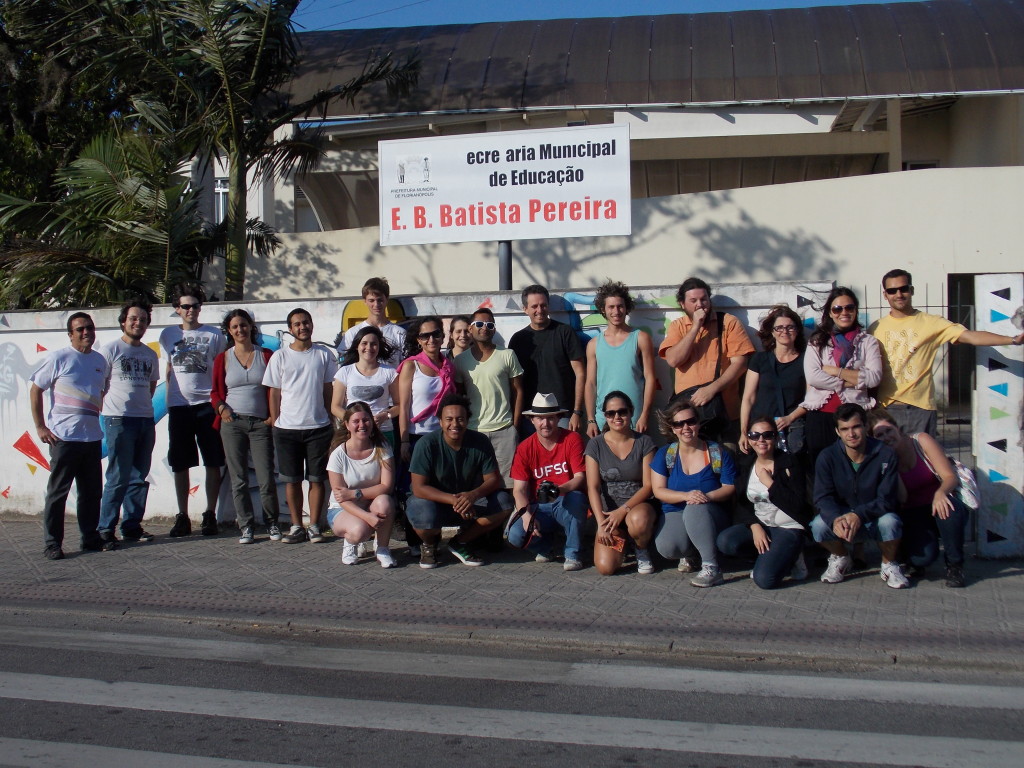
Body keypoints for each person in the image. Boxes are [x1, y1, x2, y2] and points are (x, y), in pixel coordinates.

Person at [869, 268, 1024, 436]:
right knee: (887, 461)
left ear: (911, 290)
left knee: (923, 460)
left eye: (903, 289)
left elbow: (970, 337)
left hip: (920, 408)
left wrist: (1013, 340)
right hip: (885, 409)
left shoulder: (932, 322)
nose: (899, 294)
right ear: (885, 295)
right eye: (892, 290)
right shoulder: (875, 328)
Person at [31, 311, 110, 559]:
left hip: (91, 437)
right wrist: (41, 427)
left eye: (89, 327)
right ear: (70, 335)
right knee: (58, 493)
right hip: (63, 438)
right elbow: (35, 390)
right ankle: (52, 543)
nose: (86, 332)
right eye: (80, 329)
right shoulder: (59, 357)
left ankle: (90, 538)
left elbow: (101, 392)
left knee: (91, 493)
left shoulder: (100, 361)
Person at [406, 393, 513, 568]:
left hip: (469, 501)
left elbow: (493, 479)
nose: (454, 424)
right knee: (422, 512)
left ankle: (461, 542)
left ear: (468, 420)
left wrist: (472, 496)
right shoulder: (426, 444)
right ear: (440, 421)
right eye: (449, 419)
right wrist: (454, 500)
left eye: (460, 419)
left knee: (504, 503)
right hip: (435, 501)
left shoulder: (481, 441)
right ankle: (429, 544)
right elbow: (419, 488)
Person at [868, 409, 969, 588]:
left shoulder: (921, 441)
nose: (886, 437)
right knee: (922, 559)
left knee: (948, 511)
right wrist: (890, 461)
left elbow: (950, 477)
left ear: (898, 429)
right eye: (879, 435)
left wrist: (940, 493)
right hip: (913, 512)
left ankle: (955, 565)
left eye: (889, 430)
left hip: (941, 502)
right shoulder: (882, 458)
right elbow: (903, 497)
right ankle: (913, 557)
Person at [811, 403, 908, 589]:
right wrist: (835, 519)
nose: (851, 434)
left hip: (874, 515)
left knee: (891, 522)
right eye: (845, 429)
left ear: (865, 426)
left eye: (856, 427)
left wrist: (859, 515)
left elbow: (887, 499)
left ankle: (888, 564)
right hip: (842, 516)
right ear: (837, 432)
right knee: (818, 526)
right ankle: (841, 557)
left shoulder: (885, 454)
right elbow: (822, 497)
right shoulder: (827, 456)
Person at [263, 308, 338, 544]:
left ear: (312, 325)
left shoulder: (324, 355)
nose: (302, 327)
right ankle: (296, 526)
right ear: (290, 329)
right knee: (292, 480)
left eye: (306, 322)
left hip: (319, 427)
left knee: (317, 480)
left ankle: (315, 526)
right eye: (297, 324)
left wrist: (330, 418)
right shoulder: (280, 357)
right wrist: (275, 421)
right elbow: (274, 392)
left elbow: (329, 388)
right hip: (287, 429)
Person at [159, 284, 226, 537]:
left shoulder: (214, 335)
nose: (190, 310)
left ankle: (210, 513)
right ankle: (182, 515)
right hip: (179, 407)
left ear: (200, 308)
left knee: (213, 461)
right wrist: (169, 399)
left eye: (194, 306)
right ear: (177, 310)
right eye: (185, 306)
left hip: (207, 406)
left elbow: (220, 369)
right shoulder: (167, 335)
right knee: (180, 463)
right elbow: (168, 369)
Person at [717, 416, 812, 589]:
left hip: (788, 526)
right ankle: (768, 557)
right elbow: (742, 502)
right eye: (755, 435)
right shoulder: (746, 464)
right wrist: (754, 525)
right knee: (726, 542)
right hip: (763, 524)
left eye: (767, 435)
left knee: (765, 580)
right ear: (749, 439)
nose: (761, 440)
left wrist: (770, 483)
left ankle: (793, 556)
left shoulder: (790, 463)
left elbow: (797, 504)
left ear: (775, 438)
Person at [651, 397, 737, 587]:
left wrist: (705, 497)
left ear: (698, 424)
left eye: (691, 421)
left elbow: (730, 487)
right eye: (679, 424)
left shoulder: (717, 452)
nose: (686, 428)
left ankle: (711, 567)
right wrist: (685, 496)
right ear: (672, 428)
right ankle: (692, 553)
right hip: (676, 511)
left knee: (695, 507)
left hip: (711, 513)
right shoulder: (666, 454)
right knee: (667, 548)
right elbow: (658, 490)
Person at [658, 277, 754, 446]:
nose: (700, 304)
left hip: (723, 413)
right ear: (682, 304)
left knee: (726, 461)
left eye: (704, 299)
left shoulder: (729, 323)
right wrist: (695, 326)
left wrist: (711, 389)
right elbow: (673, 360)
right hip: (687, 418)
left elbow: (740, 364)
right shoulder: (678, 326)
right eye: (693, 300)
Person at [211, 309, 280, 545]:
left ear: (251, 326)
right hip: (233, 423)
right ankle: (246, 526)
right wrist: (222, 409)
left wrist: (272, 417)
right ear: (229, 331)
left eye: (243, 325)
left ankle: (272, 523)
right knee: (238, 478)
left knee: (265, 478)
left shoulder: (267, 355)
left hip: (260, 424)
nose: (240, 330)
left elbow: (274, 389)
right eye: (234, 327)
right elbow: (214, 392)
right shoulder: (224, 358)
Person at [97, 299, 159, 547]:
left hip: (145, 419)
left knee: (138, 477)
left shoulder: (149, 354)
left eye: (143, 320)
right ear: (123, 321)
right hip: (117, 420)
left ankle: (131, 526)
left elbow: (151, 386)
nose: (138, 323)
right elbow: (100, 385)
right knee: (117, 477)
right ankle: (105, 529)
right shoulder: (110, 350)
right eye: (134, 318)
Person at [800, 287, 881, 469]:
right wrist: (850, 382)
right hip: (820, 416)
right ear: (830, 312)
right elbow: (813, 377)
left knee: (855, 467)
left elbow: (874, 378)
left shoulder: (868, 342)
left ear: (855, 310)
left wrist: (834, 371)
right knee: (821, 469)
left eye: (849, 308)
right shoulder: (817, 342)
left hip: (854, 417)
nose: (844, 312)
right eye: (838, 309)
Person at [507, 393, 589, 571]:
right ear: (532, 420)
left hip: (565, 501)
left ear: (558, 418)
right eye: (540, 419)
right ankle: (546, 547)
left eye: (551, 418)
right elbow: (519, 490)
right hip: (539, 506)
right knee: (515, 535)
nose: (546, 424)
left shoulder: (572, 439)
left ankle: (573, 553)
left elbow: (580, 478)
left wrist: (558, 489)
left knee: (577, 498)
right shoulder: (524, 448)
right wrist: (526, 515)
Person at [584, 391, 657, 575]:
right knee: (606, 568)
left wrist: (622, 510)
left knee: (638, 521)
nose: (617, 417)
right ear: (605, 416)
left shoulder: (644, 442)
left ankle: (641, 548)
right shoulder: (595, 445)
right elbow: (592, 487)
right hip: (609, 516)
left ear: (631, 412)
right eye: (610, 413)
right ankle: (623, 542)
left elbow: (649, 486)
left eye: (622, 412)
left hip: (637, 507)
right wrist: (601, 523)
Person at [453, 307, 524, 485]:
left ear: (494, 329)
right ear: (471, 328)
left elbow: (518, 391)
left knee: (509, 485)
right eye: (479, 324)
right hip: (474, 431)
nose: (484, 327)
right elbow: (459, 396)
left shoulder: (507, 355)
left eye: (489, 324)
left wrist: (515, 426)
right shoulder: (461, 361)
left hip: (505, 431)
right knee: (475, 483)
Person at [327, 402, 397, 568]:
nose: (362, 425)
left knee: (385, 502)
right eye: (356, 421)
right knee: (360, 531)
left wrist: (354, 493)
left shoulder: (383, 448)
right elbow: (341, 498)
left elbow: (386, 486)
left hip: (369, 502)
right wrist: (367, 517)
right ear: (347, 425)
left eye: (366, 420)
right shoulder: (338, 455)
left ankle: (383, 548)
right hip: (343, 508)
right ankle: (350, 543)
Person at [508, 285, 585, 434]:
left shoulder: (565, 333)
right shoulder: (518, 340)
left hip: (562, 415)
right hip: (529, 417)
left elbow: (580, 374)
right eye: (534, 306)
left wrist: (577, 412)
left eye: (543, 305)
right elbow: (513, 383)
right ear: (525, 309)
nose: (540, 310)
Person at [584, 281, 656, 438]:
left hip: (635, 418)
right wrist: (590, 420)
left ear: (626, 308)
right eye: (611, 307)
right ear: (603, 309)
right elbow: (590, 383)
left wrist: (644, 414)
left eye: (620, 306)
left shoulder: (641, 338)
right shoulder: (594, 344)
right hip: (604, 418)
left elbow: (650, 378)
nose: (616, 311)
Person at [738, 305, 807, 458]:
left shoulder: (806, 360)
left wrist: (790, 418)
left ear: (797, 330)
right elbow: (748, 398)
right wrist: (744, 432)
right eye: (779, 328)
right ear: (772, 332)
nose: (785, 331)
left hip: (791, 429)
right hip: (761, 432)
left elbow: (811, 398)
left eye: (790, 327)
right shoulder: (759, 359)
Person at [331, 326, 399, 449]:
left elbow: (399, 405)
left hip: (383, 432)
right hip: (353, 433)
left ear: (379, 347)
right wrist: (354, 421)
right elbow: (335, 407)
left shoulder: (390, 373)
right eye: (364, 343)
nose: (369, 348)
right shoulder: (345, 372)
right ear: (357, 345)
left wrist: (385, 415)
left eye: (374, 344)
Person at [336, 276, 406, 366]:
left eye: (380, 300)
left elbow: (407, 367)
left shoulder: (400, 333)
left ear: (387, 299)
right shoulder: (352, 333)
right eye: (371, 300)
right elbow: (343, 365)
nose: (376, 305)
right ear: (365, 301)